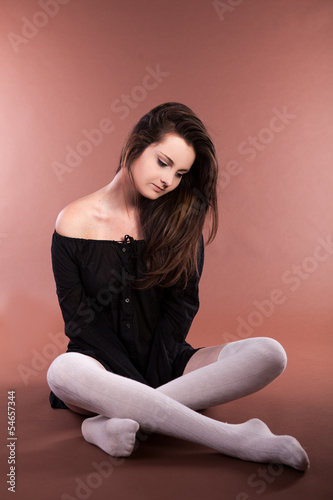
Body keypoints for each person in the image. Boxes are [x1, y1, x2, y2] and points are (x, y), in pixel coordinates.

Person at [47, 102, 309, 470]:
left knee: (270, 354)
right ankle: (236, 438)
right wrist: (125, 381)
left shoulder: (179, 221)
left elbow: (181, 307)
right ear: (135, 146)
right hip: (97, 371)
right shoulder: (73, 221)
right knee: (62, 371)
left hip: (166, 358)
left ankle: (105, 426)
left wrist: (146, 384)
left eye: (181, 172)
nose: (169, 180)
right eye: (163, 162)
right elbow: (79, 322)